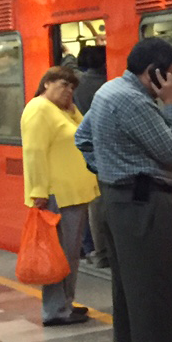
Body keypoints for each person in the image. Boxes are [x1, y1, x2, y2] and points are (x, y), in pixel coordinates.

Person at [74, 38, 172, 342]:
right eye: (171, 75)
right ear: (154, 73)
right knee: (155, 299)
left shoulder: (108, 90)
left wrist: (113, 173)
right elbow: (171, 149)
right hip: (145, 205)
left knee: (131, 299)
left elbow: (81, 139)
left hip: (123, 202)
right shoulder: (131, 100)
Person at [20, 66, 98, 327]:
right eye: (63, 85)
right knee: (57, 254)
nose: (68, 90)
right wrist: (38, 191)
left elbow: (84, 131)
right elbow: (34, 152)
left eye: (72, 87)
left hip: (73, 193)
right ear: (46, 83)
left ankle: (65, 303)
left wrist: (71, 106)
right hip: (56, 195)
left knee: (70, 254)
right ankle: (54, 310)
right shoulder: (38, 110)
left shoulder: (61, 111)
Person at [73, 46, 112, 272]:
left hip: (84, 150)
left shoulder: (78, 85)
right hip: (105, 150)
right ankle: (102, 252)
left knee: (91, 202)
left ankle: (91, 249)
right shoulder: (107, 85)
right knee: (98, 203)